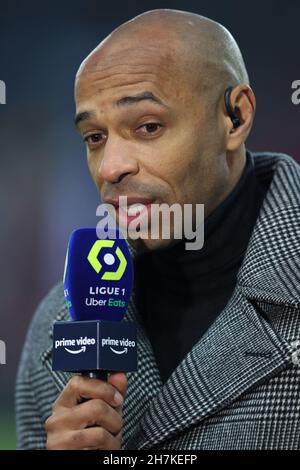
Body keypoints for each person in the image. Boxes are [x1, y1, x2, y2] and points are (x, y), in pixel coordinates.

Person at [16, 9, 300, 450]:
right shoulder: (57, 322)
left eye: (148, 127)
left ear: (235, 119)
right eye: (94, 137)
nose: (110, 166)